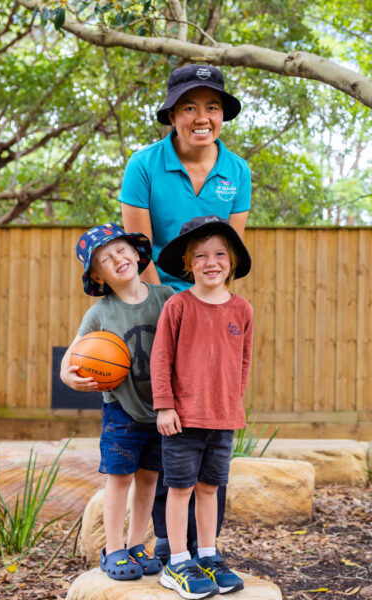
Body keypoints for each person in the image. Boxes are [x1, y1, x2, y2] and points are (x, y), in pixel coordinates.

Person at [120, 63, 249, 566]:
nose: (202, 117)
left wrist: (206, 306)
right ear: (172, 114)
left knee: (210, 424)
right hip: (158, 303)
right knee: (165, 423)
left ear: (222, 115)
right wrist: (172, 306)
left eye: (212, 107)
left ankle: (204, 548)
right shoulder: (144, 164)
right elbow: (138, 250)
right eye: (190, 107)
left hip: (208, 306)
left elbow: (228, 252)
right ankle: (165, 546)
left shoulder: (236, 171)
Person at [60, 223, 174, 581]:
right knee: (119, 480)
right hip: (121, 410)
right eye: (106, 260)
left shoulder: (166, 297)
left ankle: (137, 545)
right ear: (98, 275)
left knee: (149, 480)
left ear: (137, 253)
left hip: (159, 410)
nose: (118, 259)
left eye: (122, 250)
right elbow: (71, 357)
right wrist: (69, 378)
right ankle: (114, 550)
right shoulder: (100, 314)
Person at [151, 215, 253, 598]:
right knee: (180, 490)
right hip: (182, 419)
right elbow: (160, 359)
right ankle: (177, 561)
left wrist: (233, 403)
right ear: (187, 264)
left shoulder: (242, 309)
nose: (211, 262)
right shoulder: (178, 306)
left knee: (210, 488)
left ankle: (207, 554)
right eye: (201, 256)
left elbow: (243, 361)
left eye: (220, 255)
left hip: (222, 419)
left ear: (232, 262)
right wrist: (165, 406)